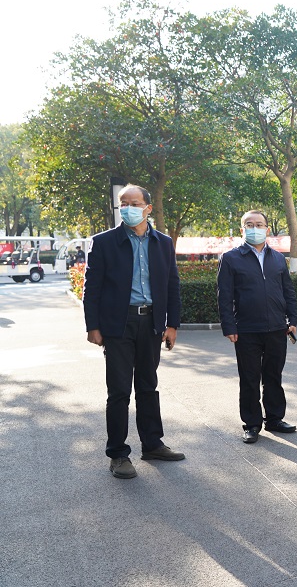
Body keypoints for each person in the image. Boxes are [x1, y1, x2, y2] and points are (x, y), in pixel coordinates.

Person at [82, 184, 184, 479]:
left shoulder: (163, 243)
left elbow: (172, 285)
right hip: (118, 325)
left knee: (148, 386)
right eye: (123, 203)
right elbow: (92, 288)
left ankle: (153, 444)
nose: (127, 208)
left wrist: (172, 325)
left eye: (134, 203)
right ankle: (118, 453)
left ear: (148, 208)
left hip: (151, 323)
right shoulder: (104, 242)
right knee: (119, 391)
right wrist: (93, 326)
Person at [217, 210, 297, 444]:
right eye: (250, 225)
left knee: (273, 376)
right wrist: (229, 326)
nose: (255, 228)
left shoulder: (278, 258)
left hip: (277, 328)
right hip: (246, 329)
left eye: (259, 224)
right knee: (250, 378)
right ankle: (252, 424)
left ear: (267, 229)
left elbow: (288, 291)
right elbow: (224, 296)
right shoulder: (230, 258)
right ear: (242, 229)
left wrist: (292, 319)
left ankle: (274, 418)